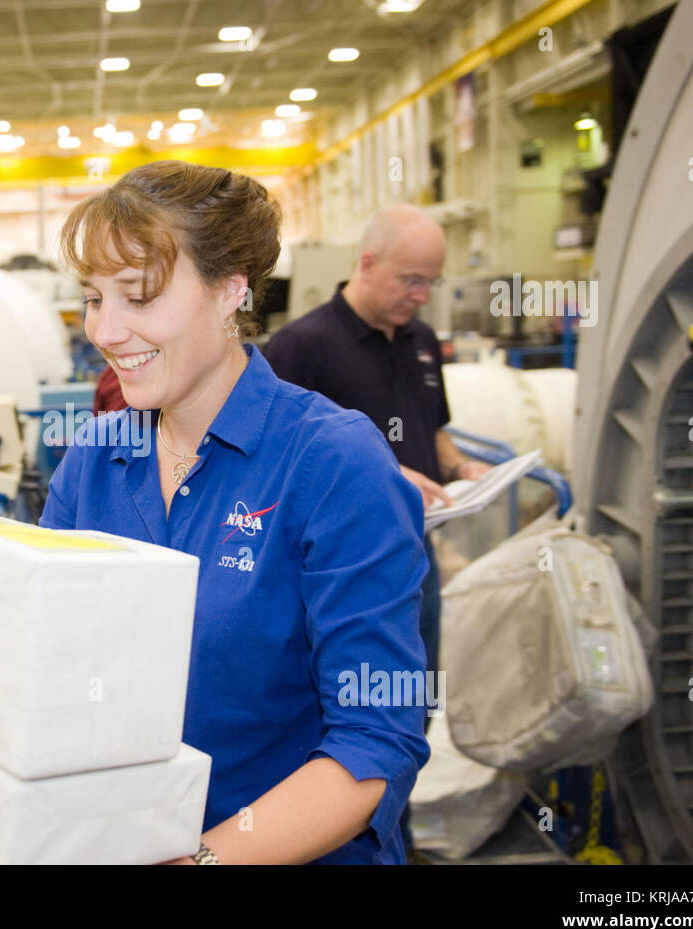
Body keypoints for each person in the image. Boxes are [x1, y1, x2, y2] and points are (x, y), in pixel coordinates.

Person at [40, 161, 430, 864]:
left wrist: (206, 859)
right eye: (94, 297)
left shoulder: (332, 462)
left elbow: (375, 736)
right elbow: (46, 667)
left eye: (139, 295)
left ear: (230, 291)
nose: (105, 328)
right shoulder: (95, 458)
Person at [263, 205, 489, 682]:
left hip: (415, 550)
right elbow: (271, 455)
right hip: (340, 561)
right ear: (367, 265)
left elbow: (432, 429)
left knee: (416, 683)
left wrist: (460, 466)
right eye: (411, 280)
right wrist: (383, 475)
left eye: (432, 282)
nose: (422, 295)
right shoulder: (301, 347)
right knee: (352, 689)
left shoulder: (422, 341)